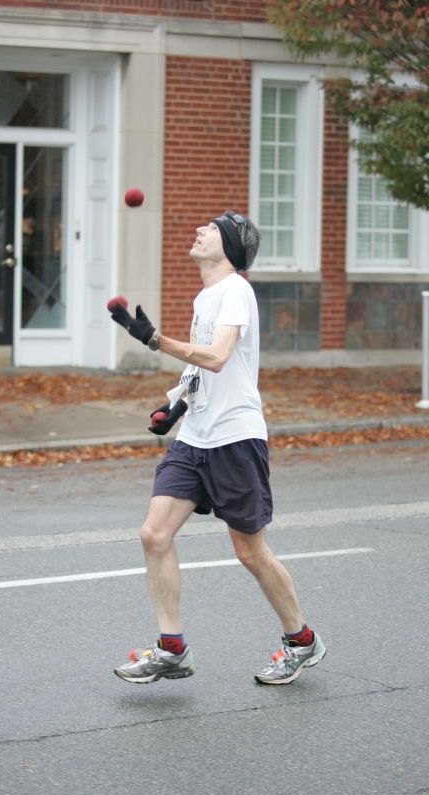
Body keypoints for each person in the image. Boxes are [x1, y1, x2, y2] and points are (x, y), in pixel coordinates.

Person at [109, 210, 326, 685]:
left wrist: (155, 339)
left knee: (250, 552)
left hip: (234, 437)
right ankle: (172, 649)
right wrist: (176, 406)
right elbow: (200, 367)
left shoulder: (236, 291)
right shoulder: (205, 296)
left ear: (228, 246)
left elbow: (218, 356)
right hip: (195, 437)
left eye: (210, 228)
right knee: (154, 534)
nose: (199, 230)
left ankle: (302, 640)